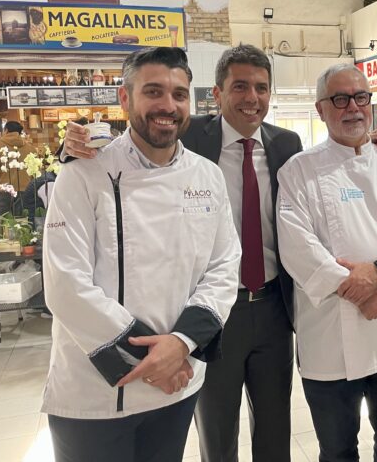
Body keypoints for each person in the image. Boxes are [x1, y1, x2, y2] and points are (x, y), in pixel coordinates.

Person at [63, 43, 303, 462]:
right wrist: (70, 148)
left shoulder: (287, 143)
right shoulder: (186, 133)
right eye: (240, 86)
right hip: (208, 315)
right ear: (217, 93)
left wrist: (375, 144)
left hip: (271, 305)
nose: (252, 98)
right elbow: (129, 142)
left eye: (261, 88)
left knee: (276, 423)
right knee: (215, 426)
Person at [41, 47, 241, 462]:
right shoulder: (83, 173)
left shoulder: (208, 176)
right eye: (154, 91)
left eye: (179, 94)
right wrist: (158, 357)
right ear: (125, 98)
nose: (168, 106)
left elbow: (223, 268)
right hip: (96, 392)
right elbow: (65, 286)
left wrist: (182, 343)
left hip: (176, 384)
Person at [276, 63, 377, 462]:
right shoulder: (298, 170)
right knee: (337, 453)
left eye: (361, 97)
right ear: (321, 109)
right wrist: (362, 293)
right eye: (340, 99)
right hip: (331, 332)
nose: (353, 107)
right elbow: (297, 245)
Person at [0, 120, 38, 214]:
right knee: (22, 222)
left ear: (6, 130)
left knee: (0, 223)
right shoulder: (31, 148)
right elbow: (35, 172)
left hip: (2, 191)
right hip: (25, 190)